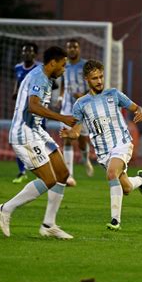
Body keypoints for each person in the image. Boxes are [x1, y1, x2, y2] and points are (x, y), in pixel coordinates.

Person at [0, 46, 77, 239]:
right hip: (24, 134)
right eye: (63, 65)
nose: (64, 69)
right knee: (49, 180)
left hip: (37, 131)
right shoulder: (39, 77)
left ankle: (48, 225)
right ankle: (5, 209)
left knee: (63, 174)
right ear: (53, 63)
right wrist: (61, 118)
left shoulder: (44, 77)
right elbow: (32, 106)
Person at [61, 59, 142, 231]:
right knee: (127, 188)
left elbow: (137, 108)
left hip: (122, 144)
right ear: (87, 79)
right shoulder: (81, 104)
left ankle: (115, 221)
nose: (99, 81)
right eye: (95, 78)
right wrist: (69, 134)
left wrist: (140, 112)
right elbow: (77, 131)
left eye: (101, 76)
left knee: (111, 174)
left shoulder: (114, 94)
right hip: (103, 152)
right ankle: (140, 180)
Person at [58, 39, 94, 186]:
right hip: (67, 108)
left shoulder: (86, 66)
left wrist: (83, 96)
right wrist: (60, 96)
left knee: (82, 142)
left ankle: (85, 159)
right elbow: (63, 83)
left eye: (74, 47)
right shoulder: (63, 65)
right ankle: (69, 176)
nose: (72, 50)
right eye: (69, 47)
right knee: (67, 139)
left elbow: (94, 85)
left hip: (83, 108)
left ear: (79, 49)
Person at [11, 42, 42, 184]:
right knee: (19, 141)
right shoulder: (18, 67)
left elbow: (51, 85)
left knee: (38, 142)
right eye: (24, 51)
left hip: (36, 112)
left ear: (35, 54)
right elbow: (17, 82)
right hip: (20, 112)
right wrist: (15, 92)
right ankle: (22, 171)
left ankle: (41, 170)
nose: (26, 54)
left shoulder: (39, 69)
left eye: (30, 51)